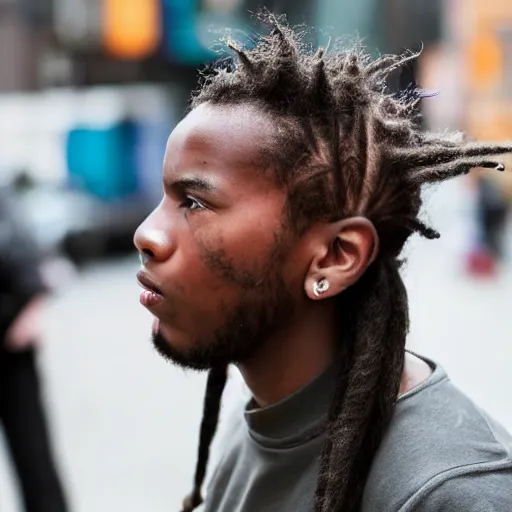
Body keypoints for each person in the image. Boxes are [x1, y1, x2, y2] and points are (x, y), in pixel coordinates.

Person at [133, 12, 512, 512]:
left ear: (335, 257)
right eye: (165, 196)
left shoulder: (449, 492)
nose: (147, 235)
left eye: (195, 202)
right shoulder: (257, 425)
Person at [0, 179, 69, 512]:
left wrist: (30, 313)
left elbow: (34, 262)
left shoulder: (3, 198)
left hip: (11, 345)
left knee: (32, 453)